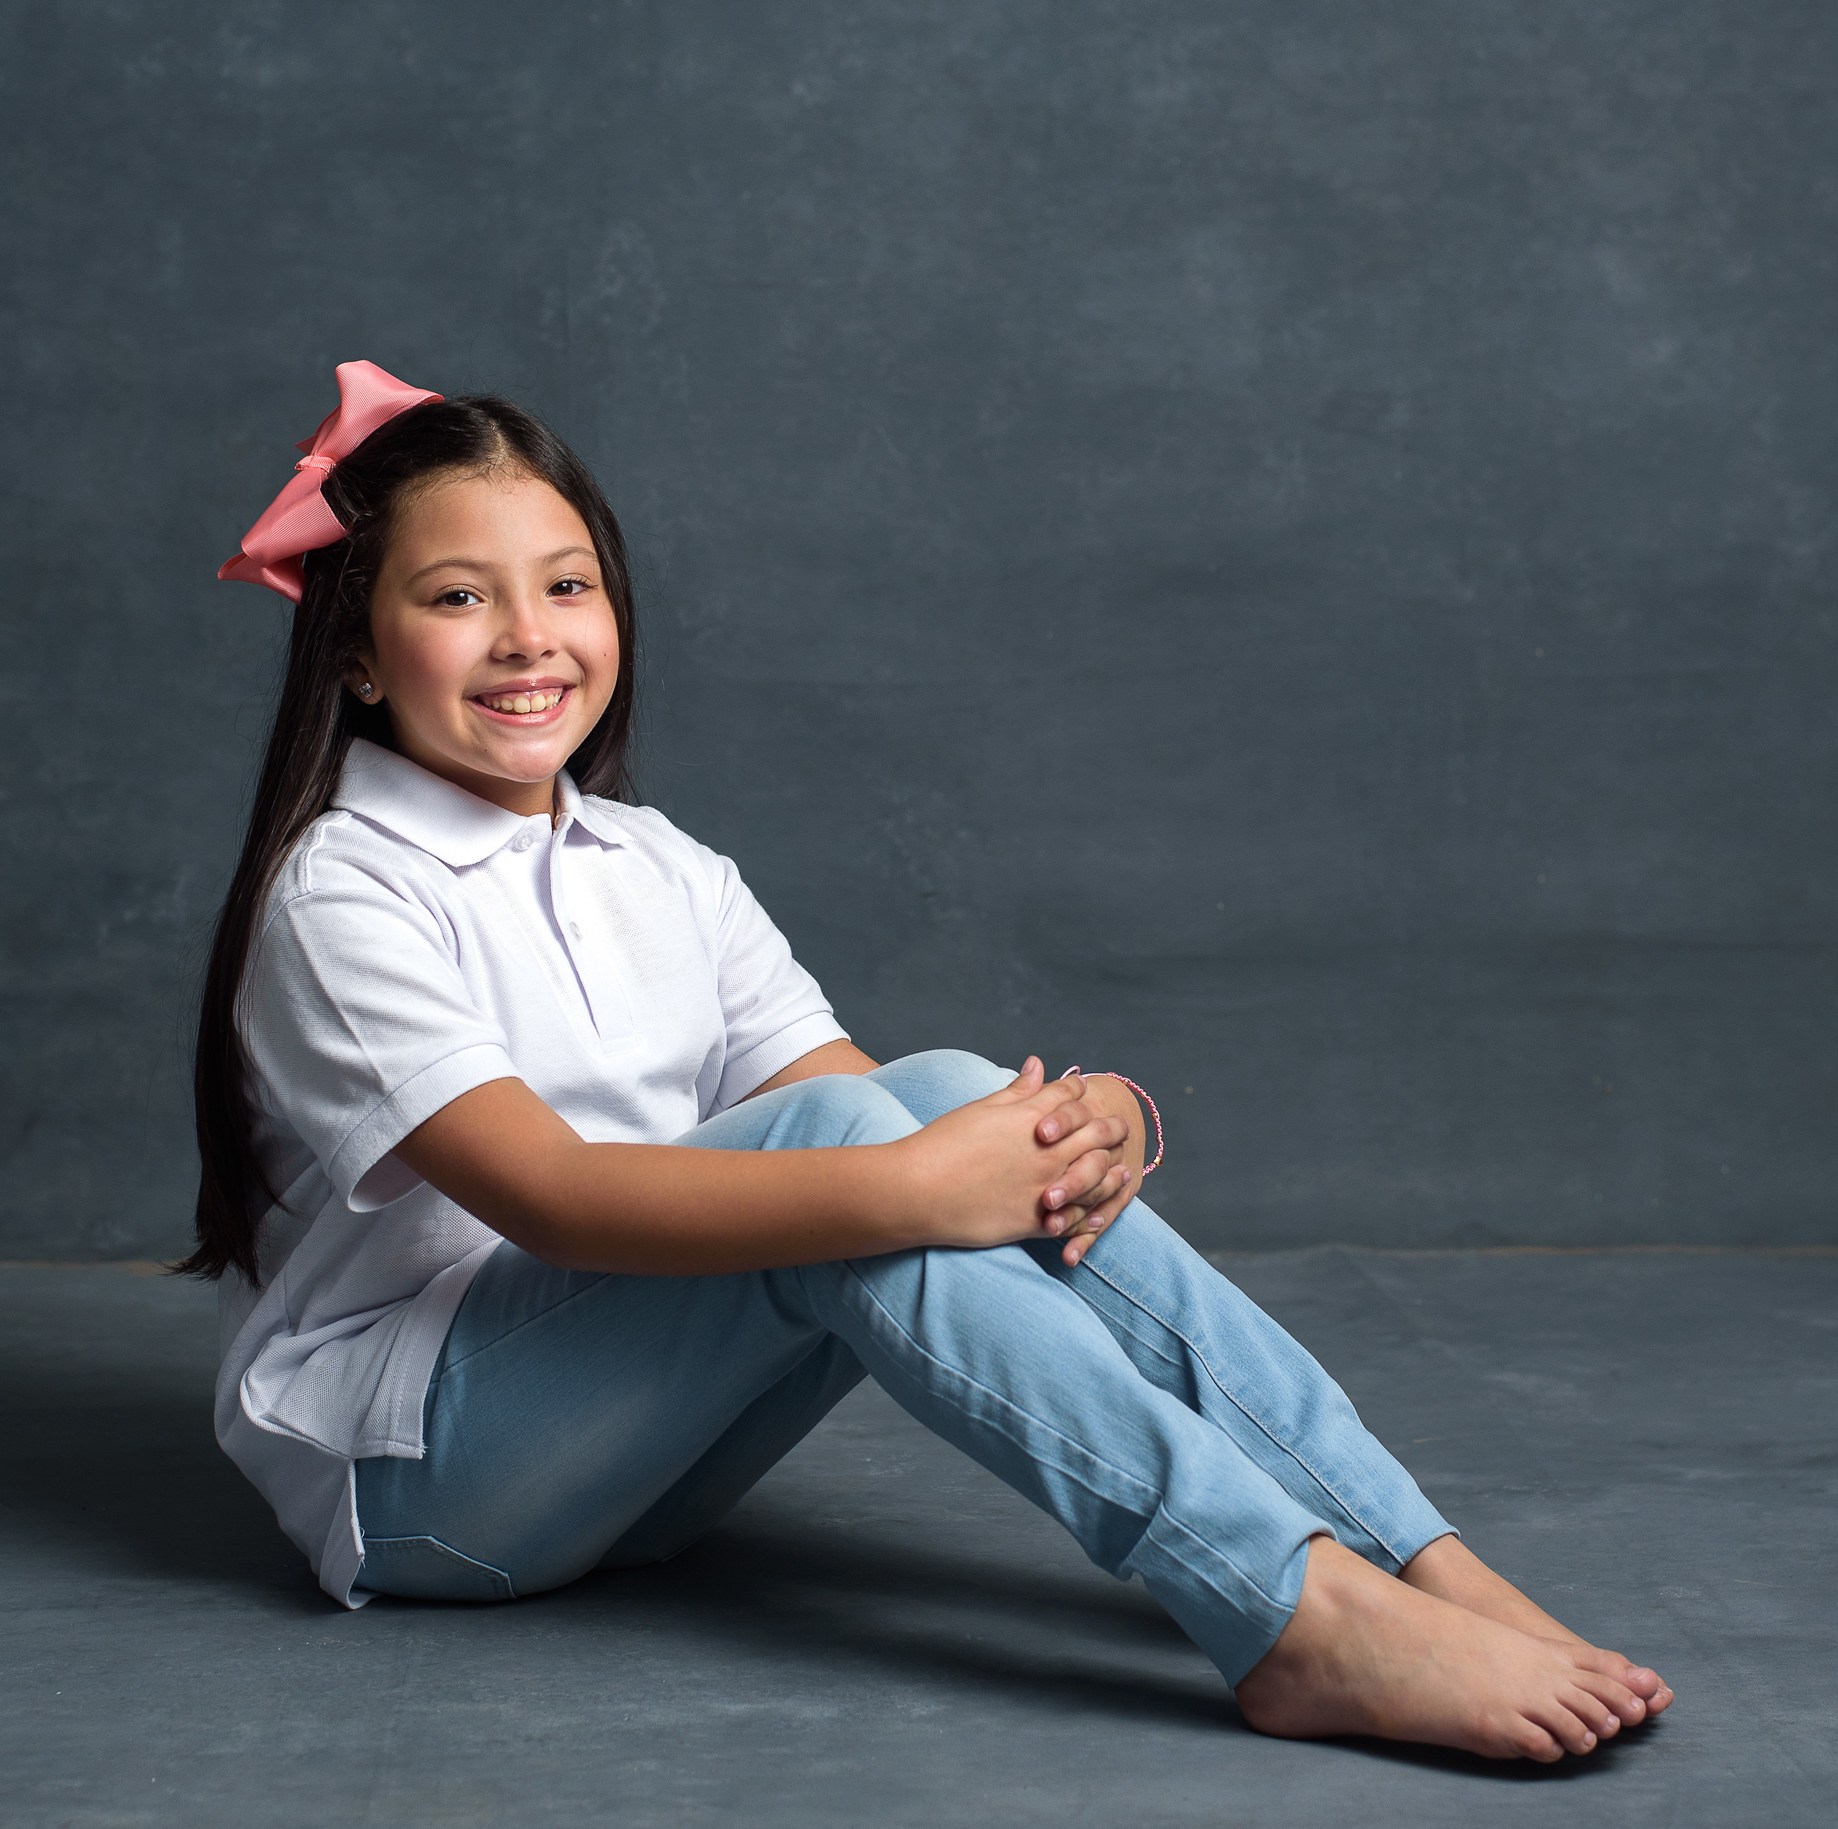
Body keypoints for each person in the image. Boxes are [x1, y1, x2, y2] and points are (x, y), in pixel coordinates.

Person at [180, 362, 1674, 1763]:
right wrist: (918, 1174)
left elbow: (880, 1108)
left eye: (567, 585)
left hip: (630, 1465)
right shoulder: (342, 891)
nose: (529, 636)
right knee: (873, 1150)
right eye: (458, 597)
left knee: (950, 1087)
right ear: (362, 656)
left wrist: (1083, 1132)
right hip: (430, 1481)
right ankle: (1290, 1610)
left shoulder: (659, 863)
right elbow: (559, 1199)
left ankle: (1409, 1550)